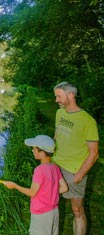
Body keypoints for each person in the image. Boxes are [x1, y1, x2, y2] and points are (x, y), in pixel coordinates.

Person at [53, 81, 99, 235]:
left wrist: (78, 176)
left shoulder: (88, 121)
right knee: (52, 205)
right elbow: (56, 137)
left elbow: (94, 153)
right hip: (55, 167)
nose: (56, 100)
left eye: (59, 96)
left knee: (77, 210)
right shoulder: (59, 113)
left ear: (70, 94)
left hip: (73, 171)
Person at [4, 135, 68, 235]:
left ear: (42, 152)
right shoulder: (55, 167)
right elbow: (64, 188)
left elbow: (32, 193)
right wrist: (49, 192)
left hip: (41, 214)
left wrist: (15, 186)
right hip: (54, 212)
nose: (32, 150)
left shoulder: (39, 170)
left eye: (34, 149)